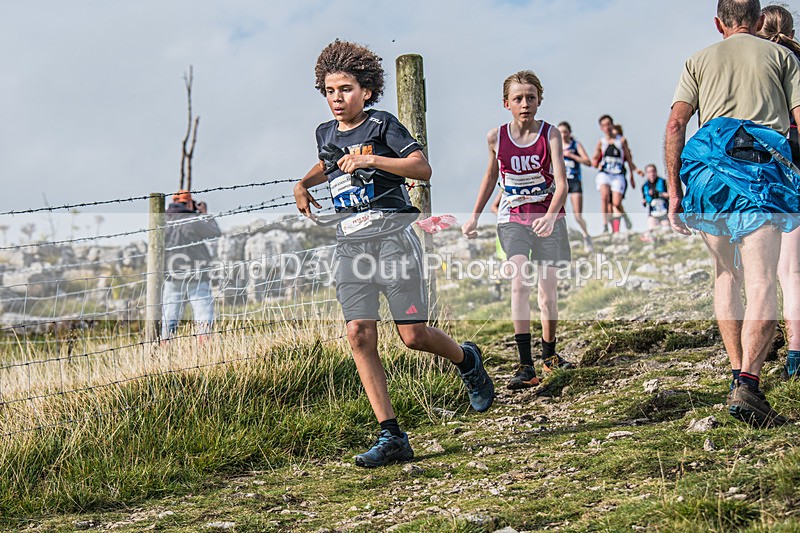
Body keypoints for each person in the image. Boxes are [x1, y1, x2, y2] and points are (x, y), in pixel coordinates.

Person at [292, 40, 494, 468]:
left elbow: (421, 168)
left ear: (366, 90)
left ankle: (467, 359)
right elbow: (328, 165)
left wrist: (372, 162)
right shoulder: (325, 133)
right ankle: (392, 435)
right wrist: (303, 184)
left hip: (393, 240)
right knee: (358, 334)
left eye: (345, 89)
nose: (336, 99)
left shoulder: (382, 124)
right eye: (329, 91)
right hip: (350, 245)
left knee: (413, 336)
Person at [665, 0, 800, 427]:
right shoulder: (781, 56)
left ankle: (735, 373)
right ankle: (749, 385)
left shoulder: (697, 60)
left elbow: (676, 125)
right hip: (758, 173)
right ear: (759, 21)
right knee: (761, 280)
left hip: (706, 174)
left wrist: (674, 191)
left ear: (718, 23)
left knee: (726, 275)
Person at [462, 70, 574, 391]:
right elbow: (490, 178)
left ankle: (550, 356)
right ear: (506, 103)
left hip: (547, 217)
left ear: (539, 101)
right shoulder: (496, 137)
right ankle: (526, 367)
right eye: (518, 98)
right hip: (512, 218)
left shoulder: (550, 135)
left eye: (530, 98)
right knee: (519, 282)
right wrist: (474, 217)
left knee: (547, 292)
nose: (525, 104)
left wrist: (550, 217)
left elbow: (562, 184)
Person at [758, 3, 800, 380]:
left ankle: (781, 354)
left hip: (768, 168)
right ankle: (795, 355)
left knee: (771, 270)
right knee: (792, 270)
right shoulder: (796, 59)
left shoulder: (759, 63)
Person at [162, 190, 221, 340]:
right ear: (189, 203)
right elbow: (215, 233)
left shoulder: (163, 221)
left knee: (170, 312)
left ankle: (165, 341)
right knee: (202, 309)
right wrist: (205, 214)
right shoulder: (193, 220)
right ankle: (204, 340)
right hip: (197, 272)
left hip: (171, 272)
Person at [592, 116, 642, 233]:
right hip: (605, 174)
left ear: (612, 125)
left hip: (618, 175)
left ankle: (624, 215)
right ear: (601, 128)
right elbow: (594, 159)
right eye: (604, 125)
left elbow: (629, 159)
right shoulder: (601, 142)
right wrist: (596, 164)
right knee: (604, 197)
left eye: (608, 124)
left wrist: (633, 175)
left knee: (616, 203)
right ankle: (605, 225)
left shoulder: (621, 141)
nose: (607, 127)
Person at [558, 121, 594, 251]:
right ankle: (560, 239)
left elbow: (588, 162)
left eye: (565, 132)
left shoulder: (575, 145)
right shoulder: (556, 146)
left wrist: (571, 155)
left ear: (569, 132)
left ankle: (586, 236)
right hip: (562, 182)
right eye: (560, 132)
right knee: (559, 212)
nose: (563, 135)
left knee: (577, 215)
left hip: (574, 182)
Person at [640, 164, 670, 242]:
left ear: (656, 172)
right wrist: (644, 201)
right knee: (652, 234)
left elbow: (670, 195)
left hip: (664, 213)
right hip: (653, 214)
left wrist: (659, 193)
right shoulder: (644, 186)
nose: (652, 174)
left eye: (653, 171)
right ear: (646, 174)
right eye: (649, 172)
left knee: (667, 233)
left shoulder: (663, 182)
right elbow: (644, 201)